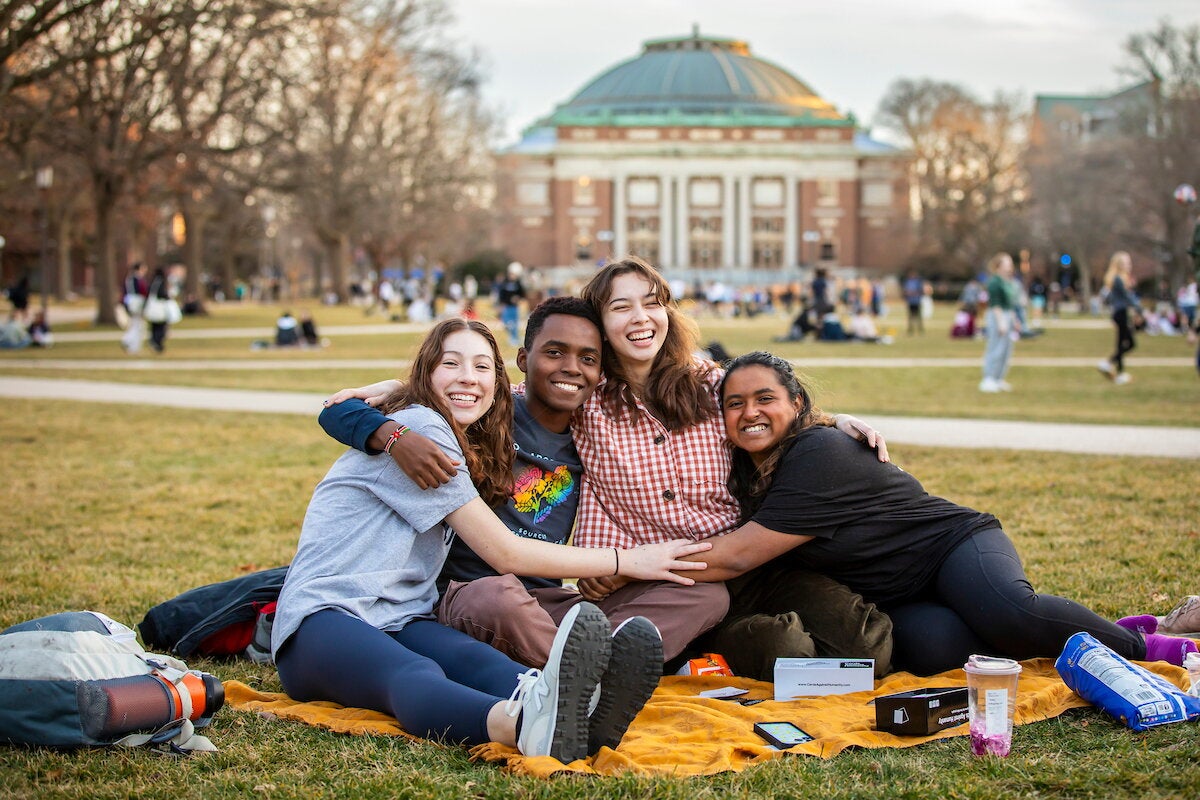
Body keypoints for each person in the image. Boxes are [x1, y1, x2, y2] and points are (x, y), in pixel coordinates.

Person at [273, 318, 710, 762]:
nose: (468, 376)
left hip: (401, 617)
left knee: (478, 662)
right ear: (426, 373)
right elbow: (503, 551)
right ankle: (521, 725)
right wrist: (625, 560)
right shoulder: (421, 428)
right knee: (414, 672)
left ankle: (580, 708)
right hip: (322, 620)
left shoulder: (462, 431)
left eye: (482, 366)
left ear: (499, 384)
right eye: (452, 363)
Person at [685, 350, 1199, 676]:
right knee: (934, 654)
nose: (749, 411)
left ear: (796, 403)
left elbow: (736, 558)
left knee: (1009, 613)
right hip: (895, 593)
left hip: (950, 547)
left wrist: (626, 565)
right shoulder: (744, 471)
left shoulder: (820, 452)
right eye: (734, 403)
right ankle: (1117, 628)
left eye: (764, 398)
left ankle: (1152, 646)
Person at [570, 257, 894, 680]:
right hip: (668, 586)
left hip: (749, 564)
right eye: (620, 307)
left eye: (651, 303)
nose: (640, 318)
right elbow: (509, 398)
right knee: (786, 650)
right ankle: (698, 652)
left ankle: (719, 653)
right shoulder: (584, 401)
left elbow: (765, 411)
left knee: (869, 646)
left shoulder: (708, 383)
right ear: (598, 323)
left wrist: (834, 421)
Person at [1096, 251, 1140, 385]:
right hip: (1121, 313)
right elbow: (1128, 298)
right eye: (1127, 263)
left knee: (1121, 343)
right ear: (1120, 264)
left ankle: (1120, 373)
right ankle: (1108, 362)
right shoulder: (1119, 279)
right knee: (1131, 344)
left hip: (1120, 312)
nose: (1129, 265)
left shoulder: (1118, 278)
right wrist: (1140, 310)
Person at [979, 252, 1020, 392]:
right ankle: (988, 378)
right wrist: (1001, 322)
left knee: (1006, 349)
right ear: (999, 265)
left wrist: (1014, 320)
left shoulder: (1008, 281)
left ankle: (998, 378)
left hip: (1007, 314)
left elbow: (1010, 304)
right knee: (996, 347)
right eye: (1007, 263)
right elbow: (995, 304)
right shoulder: (994, 282)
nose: (1010, 266)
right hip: (997, 316)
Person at [495, 262, 526, 346]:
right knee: (507, 323)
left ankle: (514, 338)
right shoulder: (505, 282)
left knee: (514, 323)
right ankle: (513, 336)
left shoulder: (518, 283)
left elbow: (522, 294)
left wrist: (518, 298)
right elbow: (501, 294)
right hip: (506, 307)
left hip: (514, 307)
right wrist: (500, 305)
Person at [121, 263, 148, 354]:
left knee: (134, 323)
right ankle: (129, 341)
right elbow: (143, 291)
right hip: (137, 303)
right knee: (138, 325)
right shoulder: (138, 279)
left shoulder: (128, 279)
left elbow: (124, 292)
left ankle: (131, 344)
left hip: (130, 302)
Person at [902, 270, 925, 335]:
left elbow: (921, 291)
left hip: (916, 301)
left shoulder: (918, 282)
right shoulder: (907, 282)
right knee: (910, 316)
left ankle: (920, 329)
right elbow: (905, 291)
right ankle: (910, 329)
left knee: (918, 316)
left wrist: (914, 293)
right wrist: (907, 293)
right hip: (910, 301)